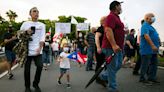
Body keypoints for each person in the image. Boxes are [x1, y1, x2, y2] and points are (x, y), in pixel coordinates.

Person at [20, 7, 45, 92]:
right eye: (34, 11)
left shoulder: (42, 25)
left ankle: (35, 84)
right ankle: (27, 87)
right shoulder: (25, 24)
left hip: (38, 50)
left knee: (40, 66)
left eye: (37, 11)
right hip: (27, 50)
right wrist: (26, 32)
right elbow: (19, 35)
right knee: (27, 70)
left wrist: (40, 48)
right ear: (30, 14)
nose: (36, 13)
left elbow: (42, 38)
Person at [101, 1, 124, 92]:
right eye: (120, 6)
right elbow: (108, 31)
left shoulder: (117, 17)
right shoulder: (110, 17)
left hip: (118, 47)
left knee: (118, 65)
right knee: (112, 67)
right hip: (110, 47)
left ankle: (103, 76)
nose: (121, 7)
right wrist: (114, 45)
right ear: (115, 6)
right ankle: (112, 88)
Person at [139, 13, 160, 84]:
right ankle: (142, 78)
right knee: (145, 64)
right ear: (147, 18)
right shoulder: (145, 25)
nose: (154, 18)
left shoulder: (151, 27)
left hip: (153, 50)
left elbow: (155, 35)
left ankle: (151, 78)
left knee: (154, 64)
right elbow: (146, 35)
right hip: (147, 49)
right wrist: (152, 45)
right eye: (152, 16)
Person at [95, 16, 107, 87]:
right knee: (100, 64)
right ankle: (98, 78)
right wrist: (98, 47)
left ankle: (103, 77)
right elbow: (96, 37)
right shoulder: (100, 28)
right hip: (100, 49)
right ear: (104, 21)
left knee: (105, 64)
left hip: (105, 49)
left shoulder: (106, 28)